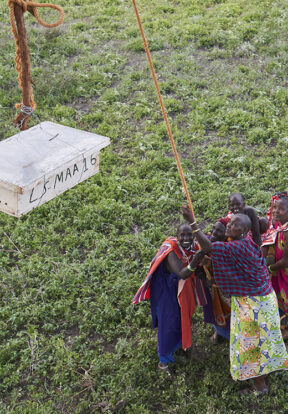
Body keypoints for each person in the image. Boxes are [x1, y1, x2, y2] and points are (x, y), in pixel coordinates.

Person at [182, 204, 288, 394]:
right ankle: (265, 371)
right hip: (260, 300)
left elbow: (208, 247)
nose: (230, 226)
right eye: (230, 222)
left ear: (245, 231)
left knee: (253, 344)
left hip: (255, 305)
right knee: (262, 340)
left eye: (235, 225)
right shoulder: (246, 242)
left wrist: (192, 222)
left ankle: (260, 386)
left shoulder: (238, 247)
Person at [132, 223, 206, 373]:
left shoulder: (192, 248)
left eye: (189, 235)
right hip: (166, 290)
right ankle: (163, 362)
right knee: (168, 322)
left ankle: (179, 345)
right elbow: (182, 273)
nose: (186, 238)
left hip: (180, 289)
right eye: (182, 235)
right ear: (177, 236)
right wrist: (197, 258)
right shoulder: (171, 250)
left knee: (182, 318)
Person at [199, 219, 231, 343]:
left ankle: (230, 337)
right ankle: (218, 332)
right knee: (213, 311)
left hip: (226, 291)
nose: (213, 232)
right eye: (213, 228)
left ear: (226, 234)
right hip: (210, 288)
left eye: (219, 231)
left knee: (228, 315)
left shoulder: (229, 248)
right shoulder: (205, 241)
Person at [262, 195, 288, 315]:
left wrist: (267, 269)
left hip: (282, 270)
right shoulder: (278, 226)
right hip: (278, 272)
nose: (276, 211)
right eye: (275, 207)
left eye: (281, 209)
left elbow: (285, 262)